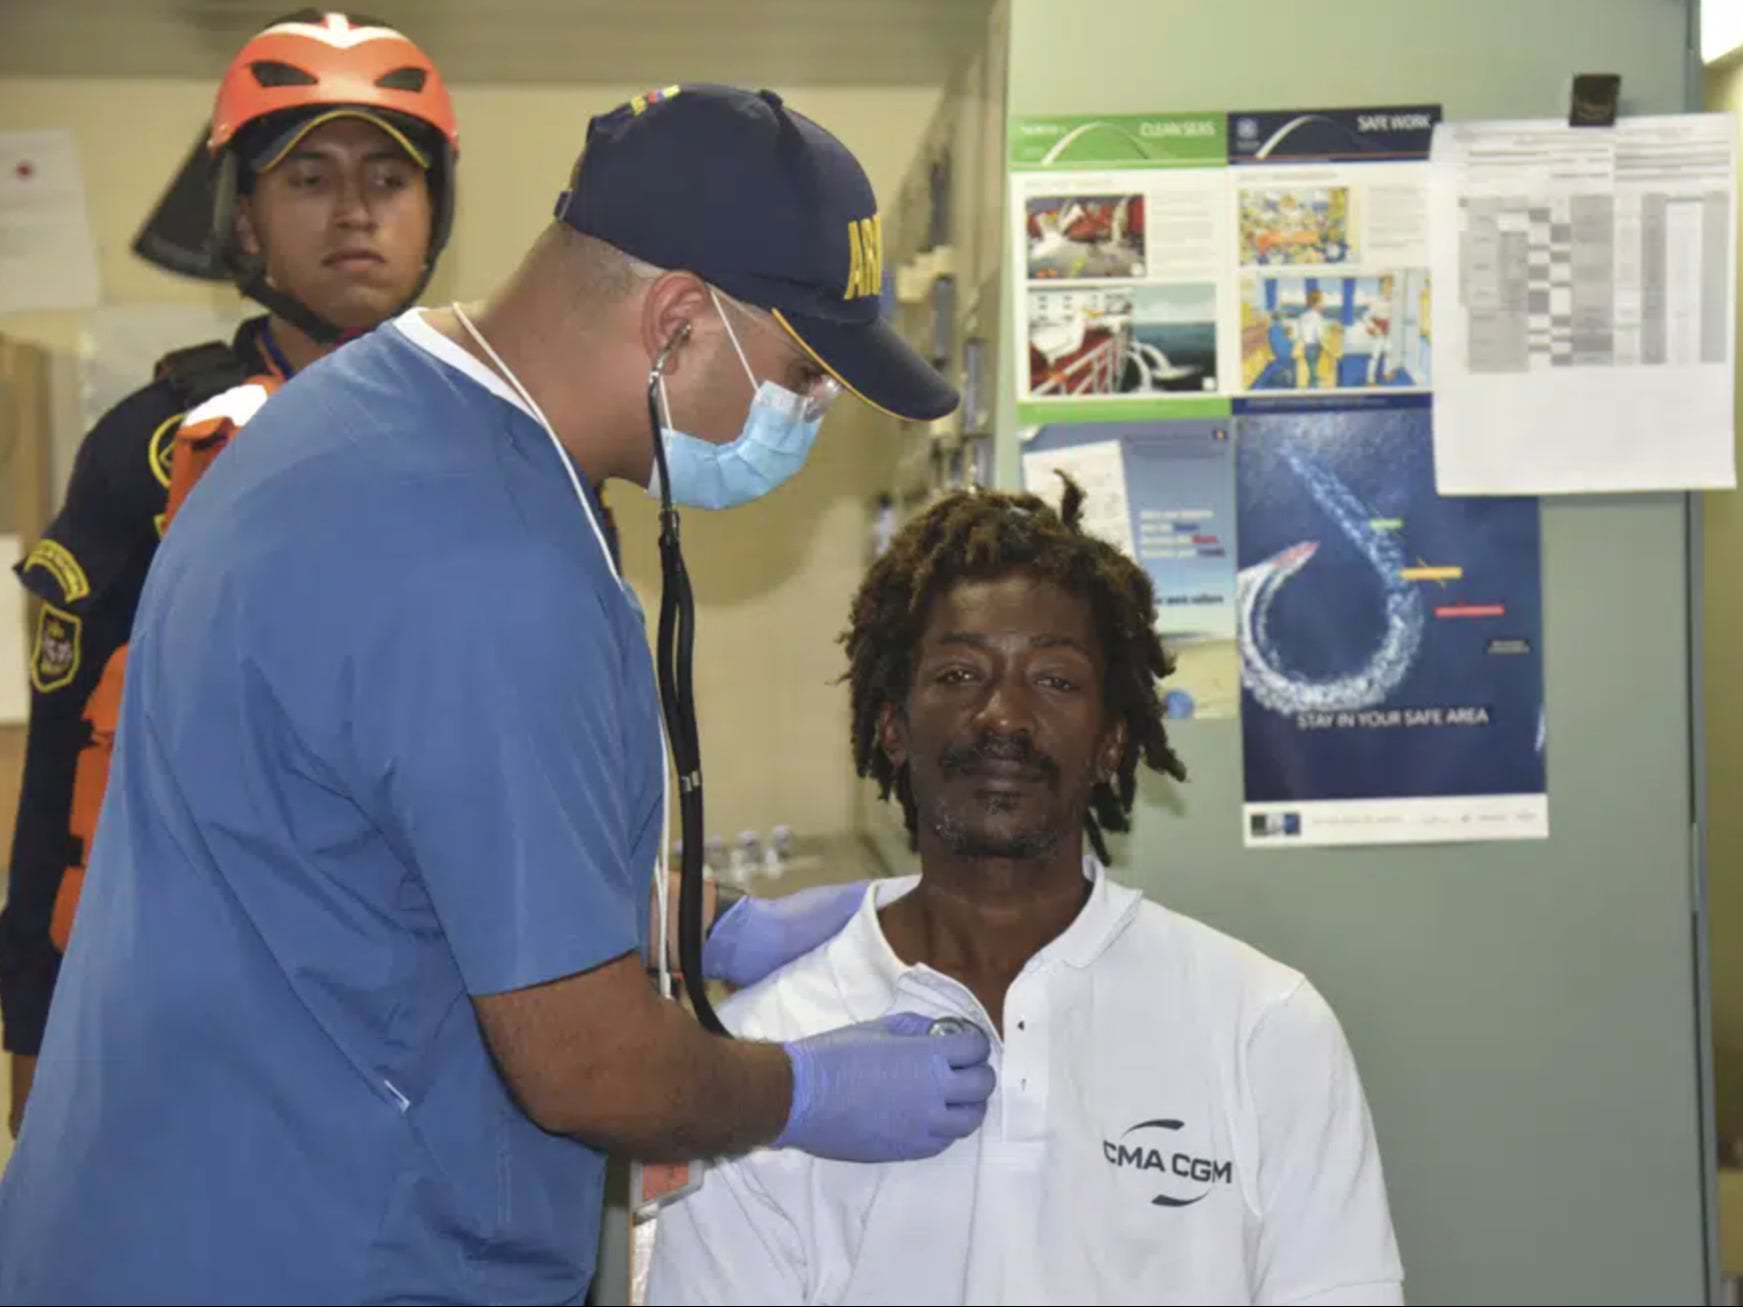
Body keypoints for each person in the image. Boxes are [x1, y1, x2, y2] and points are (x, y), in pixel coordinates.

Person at [0, 82, 993, 1303]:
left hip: (153, 1215)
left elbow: (360, 826)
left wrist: (698, 917)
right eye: (803, 372)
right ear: (680, 321)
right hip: (318, 1248)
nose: (814, 411)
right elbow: (590, 1069)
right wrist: (806, 1088)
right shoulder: (492, 558)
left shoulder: (356, 419)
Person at [645, 478, 1406, 1306]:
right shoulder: (771, 1057)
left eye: (1054, 680)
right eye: (961, 673)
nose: (1002, 716)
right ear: (892, 725)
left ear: (1114, 740)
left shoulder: (1263, 1028)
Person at [0, 7, 463, 1137]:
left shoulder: (504, 436)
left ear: (432, 213)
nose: (356, 209)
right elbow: (67, 763)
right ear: (245, 222)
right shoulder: (153, 446)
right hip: (189, 1020)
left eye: (389, 179)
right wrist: (33, 1040)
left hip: (441, 1015)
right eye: (309, 175)